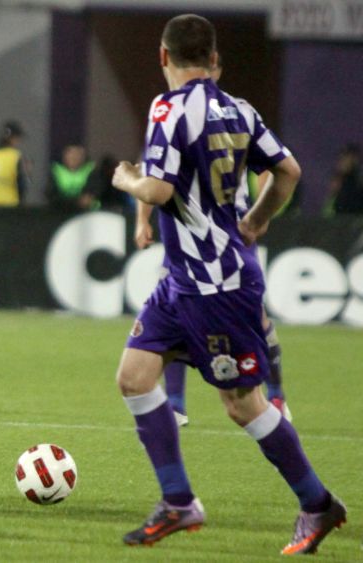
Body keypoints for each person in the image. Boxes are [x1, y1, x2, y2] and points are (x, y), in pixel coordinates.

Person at [111, 14, 345, 554]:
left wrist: (124, 178)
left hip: (216, 286)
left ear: (163, 57)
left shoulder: (167, 108)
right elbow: (288, 171)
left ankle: (317, 505)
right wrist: (260, 219)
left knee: (244, 404)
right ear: (214, 59)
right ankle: (178, 502)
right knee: (134, 375)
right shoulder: (240, 109)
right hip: (184, 280)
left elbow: (158, 188)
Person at [137, 55, 291, 427]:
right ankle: (175, 404)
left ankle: (277, 397)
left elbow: (276, 168)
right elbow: (154, 173)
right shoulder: (211, 118)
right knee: (174, 306)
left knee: (257, 319)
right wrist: (143, 219)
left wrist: (257, 215)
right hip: (189, 236)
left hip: (228, 237)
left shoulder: (217, 117)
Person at [47, 144, 98, 212]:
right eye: (71, 154)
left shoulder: (90, 170)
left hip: (87, 213)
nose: (75, 157)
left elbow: (95, 191)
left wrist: (89, 198)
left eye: (78, 154)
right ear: (64, 156)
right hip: (60, 212)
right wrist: (76, 202)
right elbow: (51, 195)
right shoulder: (56, 171)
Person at [325, 142, 363, 215]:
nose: (341, 161)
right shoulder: (339, 180)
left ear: (355, 159)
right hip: (338, 223)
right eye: (340, 158)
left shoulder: (358, 182)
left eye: (345, 157)